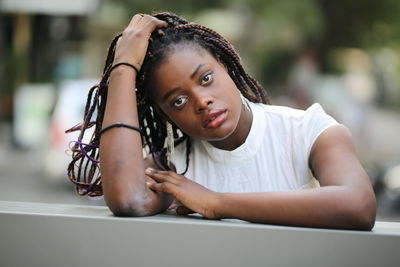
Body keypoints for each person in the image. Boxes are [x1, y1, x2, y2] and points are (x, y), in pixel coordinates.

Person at [67, 12, 376, 230]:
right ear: (165, 114)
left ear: (227, 65)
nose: (202, 101)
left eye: (206, 78)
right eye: (178, 101)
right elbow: (127, 199)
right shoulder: (175, 162)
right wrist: (123, 68)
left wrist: (216, 203)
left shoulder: (309, 130)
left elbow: (358, 205)